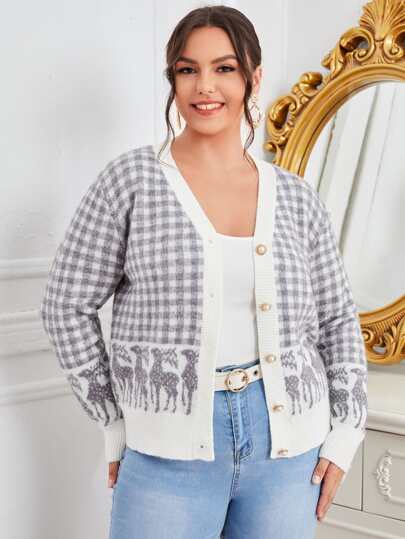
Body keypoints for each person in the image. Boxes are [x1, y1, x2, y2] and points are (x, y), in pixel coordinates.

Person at [40, 5, 368, 539]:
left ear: (253, 78)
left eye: (224, 68)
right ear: (172, 79)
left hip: (287, 454)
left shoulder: (295, 197)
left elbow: (336, 319)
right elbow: (66, 305)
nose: (204, 86)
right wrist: (113, 418)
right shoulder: (131, 182)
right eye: (187, 70)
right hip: (166, 456)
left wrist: (346, 432)